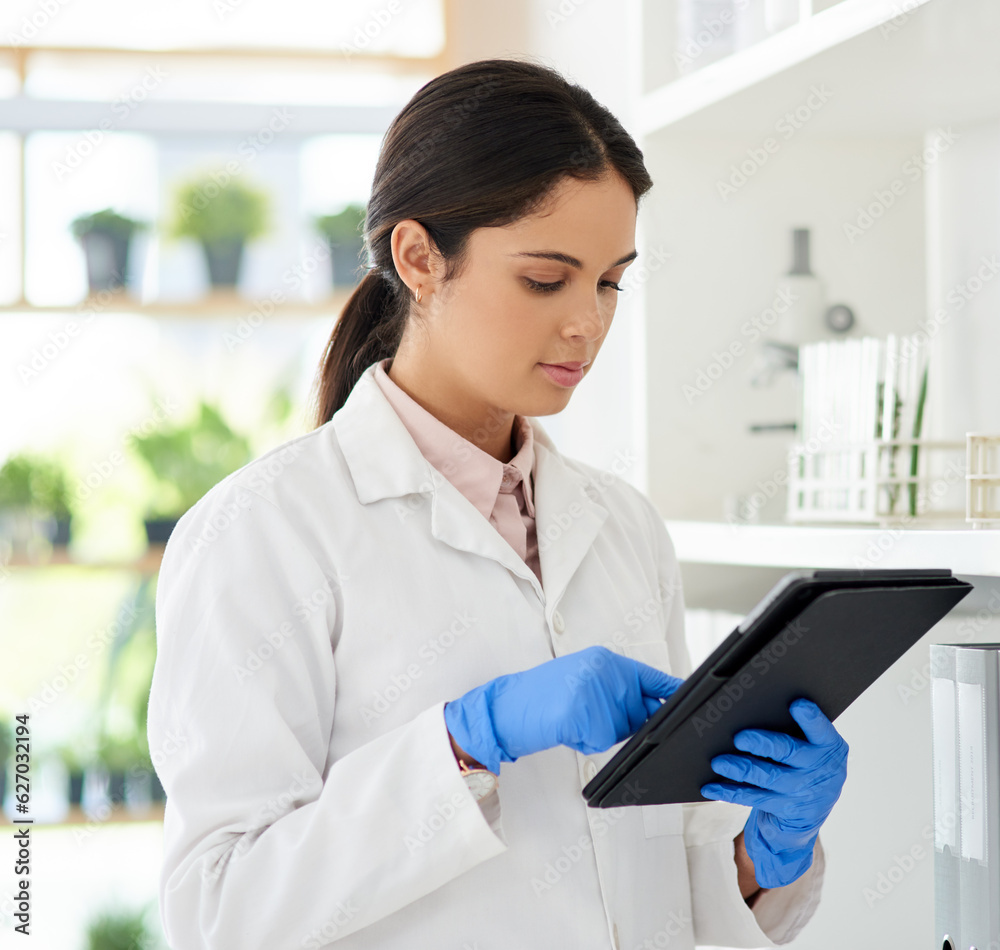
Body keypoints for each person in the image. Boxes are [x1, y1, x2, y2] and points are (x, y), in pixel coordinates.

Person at [147, 57, 848, 950]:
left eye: (610, 281)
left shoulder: (623, 526)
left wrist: (768, 857)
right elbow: (219, 913)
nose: (586, 323)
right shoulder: (263, 533)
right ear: (418, 258)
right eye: (546, 279)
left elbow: (675, 883)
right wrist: (464, 742)